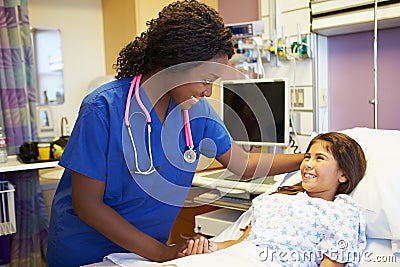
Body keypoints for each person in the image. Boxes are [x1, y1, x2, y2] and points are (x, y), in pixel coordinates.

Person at [46, 1, 304, 266]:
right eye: (207, 79)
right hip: (86, 253)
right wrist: (162, 253)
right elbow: (88, 204)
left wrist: (307, 158)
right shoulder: (103, 108)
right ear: (177, 62)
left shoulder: (196, 112)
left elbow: (243, 164)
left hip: (145, 254)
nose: (209, 91)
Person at [184, 132, 367, 267]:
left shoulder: (341, 212)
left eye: (320, 158)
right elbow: (244, 242)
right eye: (307, 157)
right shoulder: (276, 199)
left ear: (343, 174)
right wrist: (211, 247)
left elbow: (333, 262)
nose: (308, 164)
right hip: (238, 257)